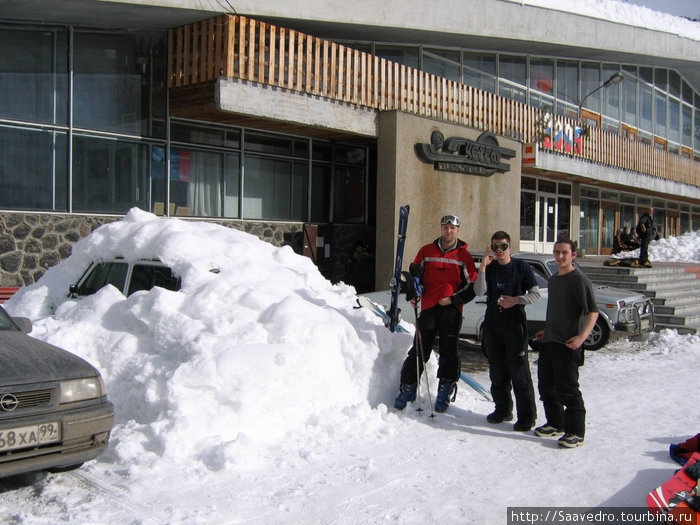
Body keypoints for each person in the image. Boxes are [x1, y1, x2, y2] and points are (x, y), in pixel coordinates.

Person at [393, 214, 477, 413]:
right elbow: (416, 277)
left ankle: (444, 391)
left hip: (451, 309)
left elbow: (472, 286)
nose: (448, 231)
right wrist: (413, 293)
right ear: (441, 228)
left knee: (449, 351)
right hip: (429, 307)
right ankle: (409, 388)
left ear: (458, 230)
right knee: (420, 348)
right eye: (445, 227)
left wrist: (453, 300)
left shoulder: (463, 256)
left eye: (452, 228)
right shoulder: (426, 250)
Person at [474, 231, 541, 431]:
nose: (499, 251)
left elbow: (535, 294)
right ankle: (502, 409)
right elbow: (479, 291)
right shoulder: (491, 268)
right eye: (495, 247)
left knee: (518, 371)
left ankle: (527, 416)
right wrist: (483, 265)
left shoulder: (522, 267)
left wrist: (516, 300)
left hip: (515, 324)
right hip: (493, 323)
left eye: (503, 246)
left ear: (510, 247)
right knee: (497, 370)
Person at [533, 239, 598, 448]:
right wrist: (548, 329)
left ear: (573, 255)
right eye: (557, 252)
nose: (560, 256)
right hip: (550, 341)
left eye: (564, 253)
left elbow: (592, 312)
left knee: (568, 389)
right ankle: (555, 423)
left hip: (568, 345)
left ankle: (575, 432)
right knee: (546, 386)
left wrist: (581, 337)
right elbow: (558, 310)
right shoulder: (554, 280)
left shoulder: (579, 280)